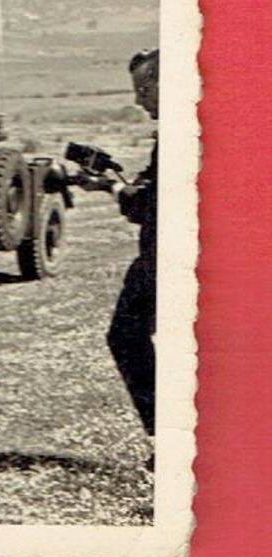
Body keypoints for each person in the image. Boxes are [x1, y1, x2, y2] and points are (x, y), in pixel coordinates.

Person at [82, 49, 160, 444]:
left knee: (127, 336)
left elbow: (150, 204)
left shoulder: (184, 131)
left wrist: (112, 188)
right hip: (157, 258)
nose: (138, 100)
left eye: (144, 88)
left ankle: (171, 436)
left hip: (166, 260)